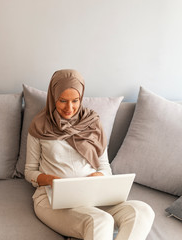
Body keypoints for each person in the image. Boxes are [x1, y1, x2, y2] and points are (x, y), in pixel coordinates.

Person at [25, 69, 155, 240]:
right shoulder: (40, 125)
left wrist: (98, 175)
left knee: (142, 211)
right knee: (101, 221)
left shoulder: (93, 123)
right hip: (52, 198)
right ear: (53, 97)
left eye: (75, 101)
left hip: (93, 195)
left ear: (81, 98)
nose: (69, 108)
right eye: (63, 100)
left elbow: (104, 167)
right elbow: (29, 170)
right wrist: (49, 180)